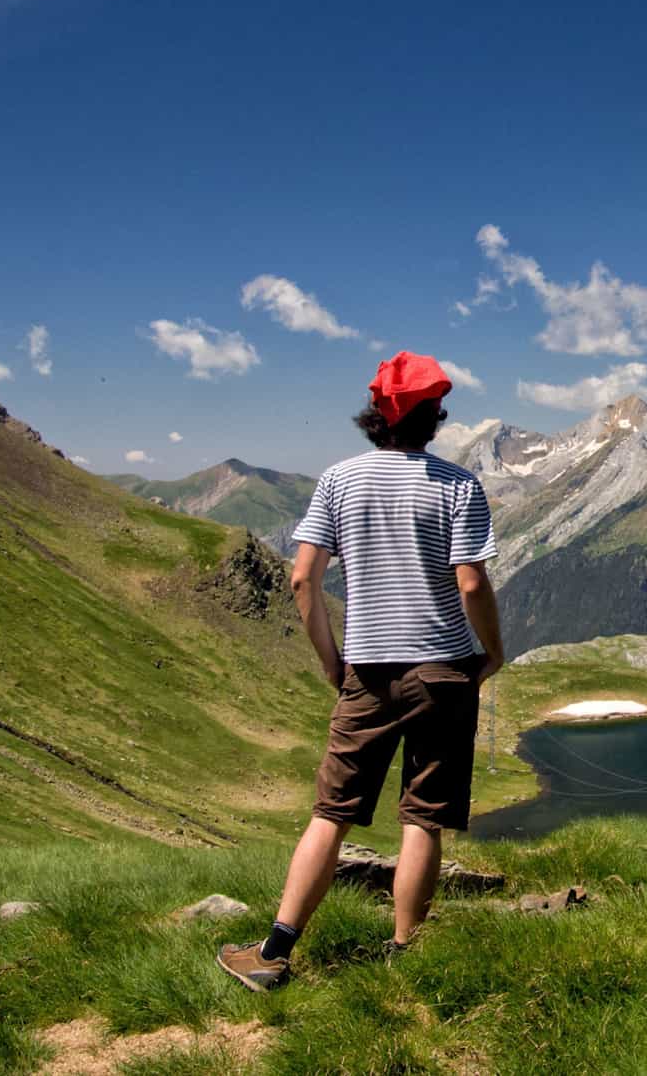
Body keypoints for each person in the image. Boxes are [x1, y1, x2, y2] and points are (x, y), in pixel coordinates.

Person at [217, 351, 505, 992]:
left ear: (377, 413)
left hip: (367, 669)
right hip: (444, 670)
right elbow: (471, 582)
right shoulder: (459, 485)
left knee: (332, 812)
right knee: (423, 817)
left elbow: (302, 579)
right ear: (435, 416)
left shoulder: (338, 481)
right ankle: (405, 955)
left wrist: (332, 661)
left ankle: (272, 953)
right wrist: (494, 651)